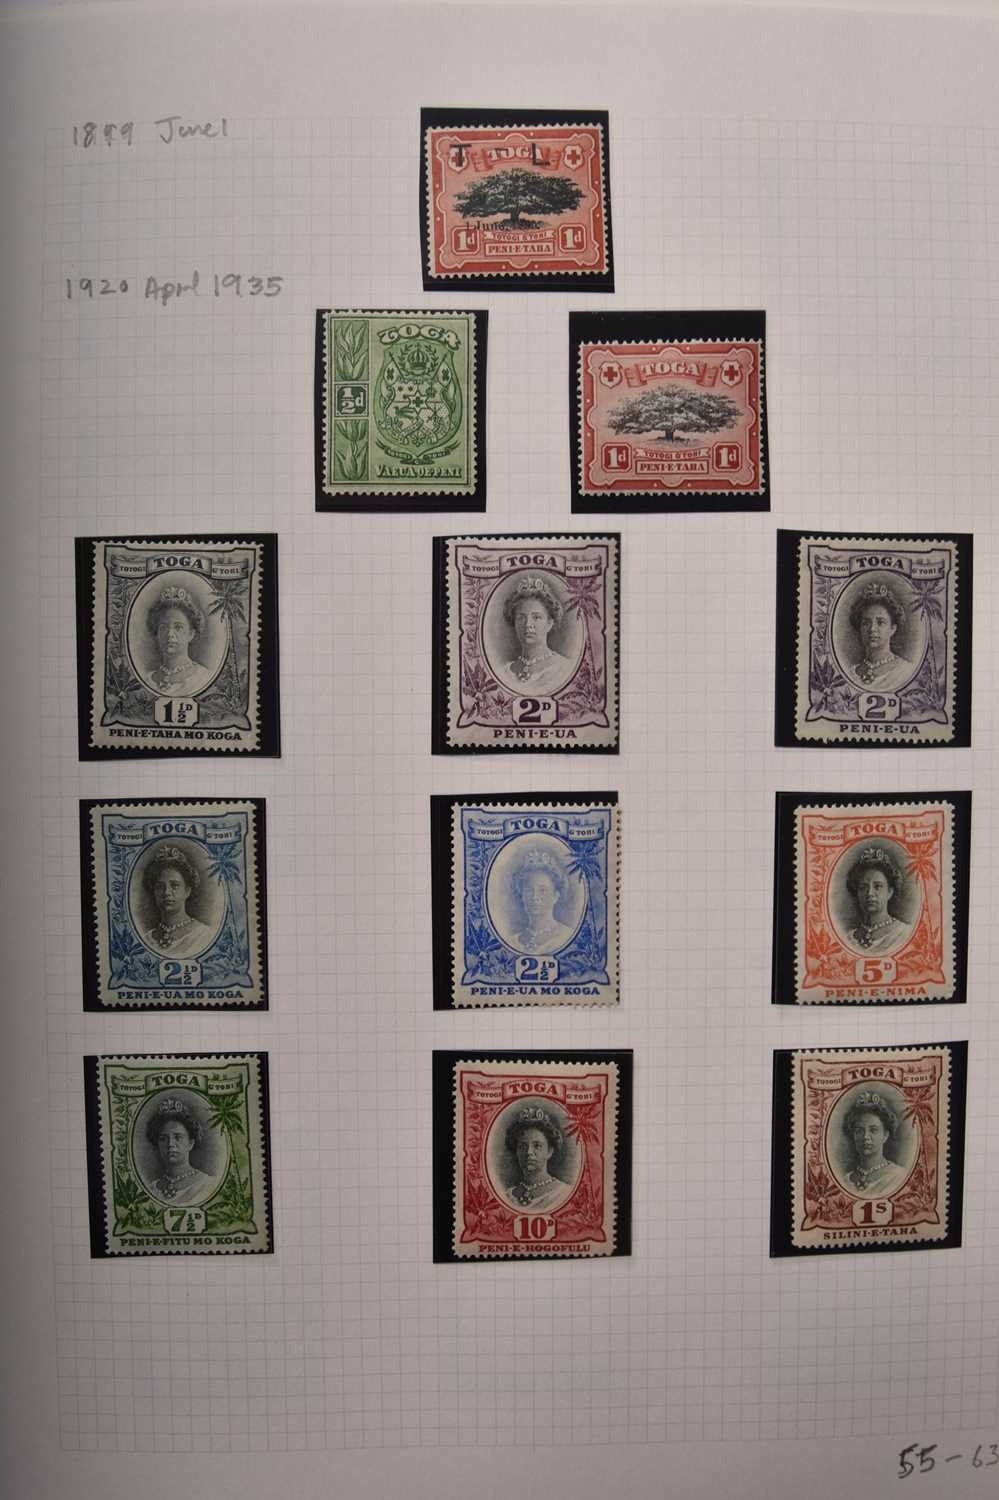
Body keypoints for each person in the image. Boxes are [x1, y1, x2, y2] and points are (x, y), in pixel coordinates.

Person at [501, 575, 571, 691]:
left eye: (536, 617)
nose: (528, 624)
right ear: (514, 622)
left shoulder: (564, 668)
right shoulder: (505, 672)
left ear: (549, 623)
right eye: (521, 618)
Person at [143, 843, 214, 957]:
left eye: (175, 885)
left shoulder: (204, 935)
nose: (166, 892)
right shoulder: (146, 939)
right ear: (154, 892)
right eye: (160, 886)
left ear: (187, 891)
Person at [145, 583, 214, 696]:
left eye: (178, 627)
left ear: (191, 634)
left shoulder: (204, 678)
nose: (170, 634)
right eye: (163, 627)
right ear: (157, 633)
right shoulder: (147, 679)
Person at [145, 1096, 216, 1204]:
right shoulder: (151, 1189)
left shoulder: (207, 1184)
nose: (170, 1144)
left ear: (190, 1143)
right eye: (163, 1139)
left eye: (178, 1137)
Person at [845, 846, 912, 953]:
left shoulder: (904, 933)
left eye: (878, 886)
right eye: (863, 887)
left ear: (890, 892)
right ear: (857, 892)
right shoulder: (848, 939)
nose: (870, 893)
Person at [847, 580, 912, 691]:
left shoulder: (905, 671)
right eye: (866, 623)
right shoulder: (850, 674)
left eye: (880, 622)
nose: (872, 629)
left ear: (892, 629)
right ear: (860, 628)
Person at [503, 1105, 571, 1210]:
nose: (529, 1152)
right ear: (516, 1151)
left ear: (549, 1151)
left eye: (537, 1146)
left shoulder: (563, 1193)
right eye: (522, 1146)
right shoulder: (508, 1195)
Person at [841, 1090, 908, 1195]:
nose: (866, 1137)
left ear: (885, 1135)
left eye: (873, 1130)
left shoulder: (899, 1176)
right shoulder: (845, 1180)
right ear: (853, 1135)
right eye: (859, 1131)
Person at [508, 848, 575, 954]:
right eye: (529, 890)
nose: (535, 897)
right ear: (522, 895)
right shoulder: (513, 942)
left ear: (556, 896)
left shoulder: (568, 936)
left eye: (543, 890)